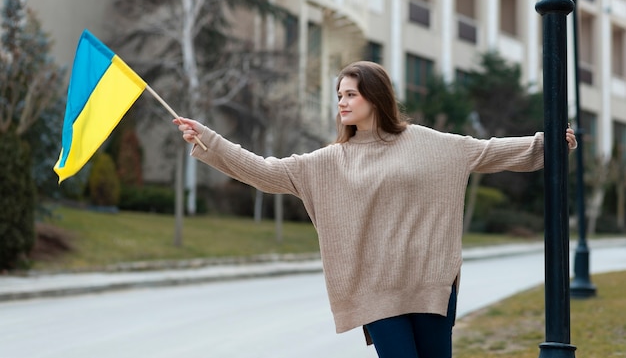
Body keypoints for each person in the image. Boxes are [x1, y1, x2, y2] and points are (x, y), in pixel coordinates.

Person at [174, 61, 577, 358]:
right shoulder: (329, 161)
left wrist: (549, 143)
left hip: (430, 284)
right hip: (375, 290)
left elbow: (487, 151)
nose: (342, 103)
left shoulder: (430, 143)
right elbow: (264, 170)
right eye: (339, 96)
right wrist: (208, 139)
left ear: (375, 96)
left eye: (351, 93)